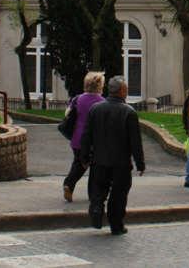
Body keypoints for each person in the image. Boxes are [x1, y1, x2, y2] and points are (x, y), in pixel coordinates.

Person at [79, 75, 145, 236]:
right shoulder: (129, 112)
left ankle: (96, 209)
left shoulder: (95, 109)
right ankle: (116, 225)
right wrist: (140, 163)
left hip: (99, 159)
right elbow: (135, 141)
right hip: (121, 162)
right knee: (119, 194)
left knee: (98, 189)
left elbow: (86, 135)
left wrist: (84, 156)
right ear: (122, 91)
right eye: (126, 89)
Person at [62, 71, 106, 202]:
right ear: (100, 86)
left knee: (79, 163)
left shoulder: (78, 99)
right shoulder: (102, 102)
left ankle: (69, 184)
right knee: (95, 167)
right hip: (94, 141)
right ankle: (92, 193)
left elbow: (67, 114)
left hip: (77, 138)